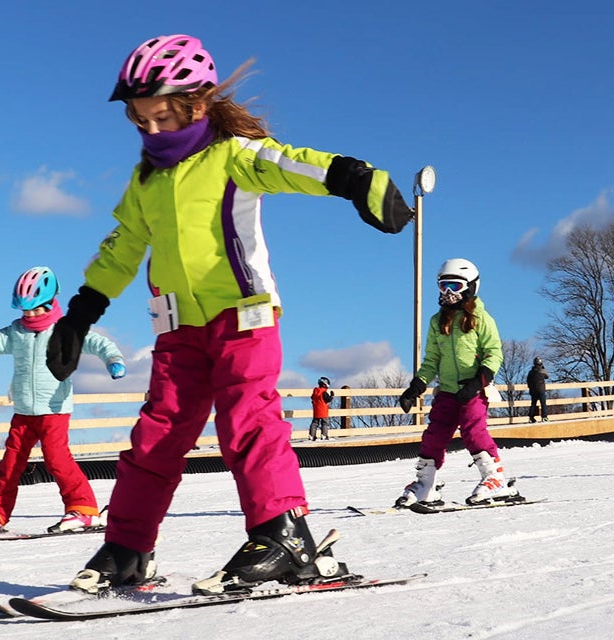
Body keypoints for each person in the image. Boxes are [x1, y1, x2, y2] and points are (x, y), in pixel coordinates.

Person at [46, 34, 413, 595]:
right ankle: (127, 546)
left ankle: (284, 536)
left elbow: (295, 164)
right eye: (139, 121)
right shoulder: (146, 181)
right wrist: (80, 312)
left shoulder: (234, 155)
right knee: (156, 436)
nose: (151, 132)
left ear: (198, 104)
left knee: (247, 421)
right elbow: (122, 246)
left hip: (245, 317)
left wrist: (358, 178)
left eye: (162, 117)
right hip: (176, 328)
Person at [0, 266, 125, 535]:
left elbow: (99, 343)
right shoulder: (16, 333)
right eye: (25, 310)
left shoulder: (66, 330)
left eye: (37, 309)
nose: (31, 316)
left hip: (54, 410)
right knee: (11, 463)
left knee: (57, 460)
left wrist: (114, 361)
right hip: (24, 411)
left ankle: (83, 510)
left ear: (51, 303)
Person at [396, 258, 518, 507]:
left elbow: (494, 353)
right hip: (448, 391)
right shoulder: (437, 321)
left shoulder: (481, 318)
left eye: (454, 285)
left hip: (472, 389)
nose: (448, 293)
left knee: (473, 432)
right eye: (443, 286)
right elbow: (432, 360)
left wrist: (478, 381)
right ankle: (426, 485)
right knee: (434, 435)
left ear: (471, 287)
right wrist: (416, 386)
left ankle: (495, 479)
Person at [309, 377, 335, 441]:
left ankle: (312, 435)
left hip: (316, 410)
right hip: (323, 411)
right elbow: (327, 399)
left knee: (314, 423)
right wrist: (332, 396)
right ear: (325, 384)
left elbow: (312, 397)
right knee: (325, 423)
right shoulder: (324, 392)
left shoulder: (315, 391)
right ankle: (324, 435)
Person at [526, 357, 549, 423]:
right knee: (543, 404)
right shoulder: (542, 371)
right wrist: (543, 368)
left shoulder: (531, 372)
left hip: (533, 390)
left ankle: (531, 417)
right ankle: (544, 417)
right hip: (541, 390)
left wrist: (530, 388)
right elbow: (547, 376)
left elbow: (528, 380)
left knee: (533, 404)